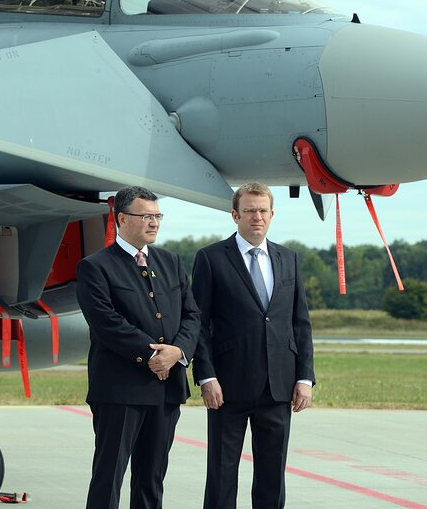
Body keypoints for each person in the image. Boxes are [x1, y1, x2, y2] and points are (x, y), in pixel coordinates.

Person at [192, 182, 315, 508]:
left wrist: (304, 378)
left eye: (262, 211)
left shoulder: (289, 259)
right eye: (249, 211)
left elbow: (300, 323)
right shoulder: (211, 258)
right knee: (222, 473)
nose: (256, 217)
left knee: (273, 477)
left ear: (272, 215)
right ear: (235, 215)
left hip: (278, 387)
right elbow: (198, 325)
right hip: (226, 387)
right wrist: (206, 377)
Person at [76, 185, 200, 509]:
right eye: (146, 216)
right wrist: (151, 356)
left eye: (158, 215)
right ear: (121, 218)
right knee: (108, 479)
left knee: (151, 480)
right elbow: (107, 324)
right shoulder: (96, 266)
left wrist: (178, 352)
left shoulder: (171, 262)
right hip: (120, 391)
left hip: (166, 389)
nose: (154, 222)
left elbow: (192, 315)